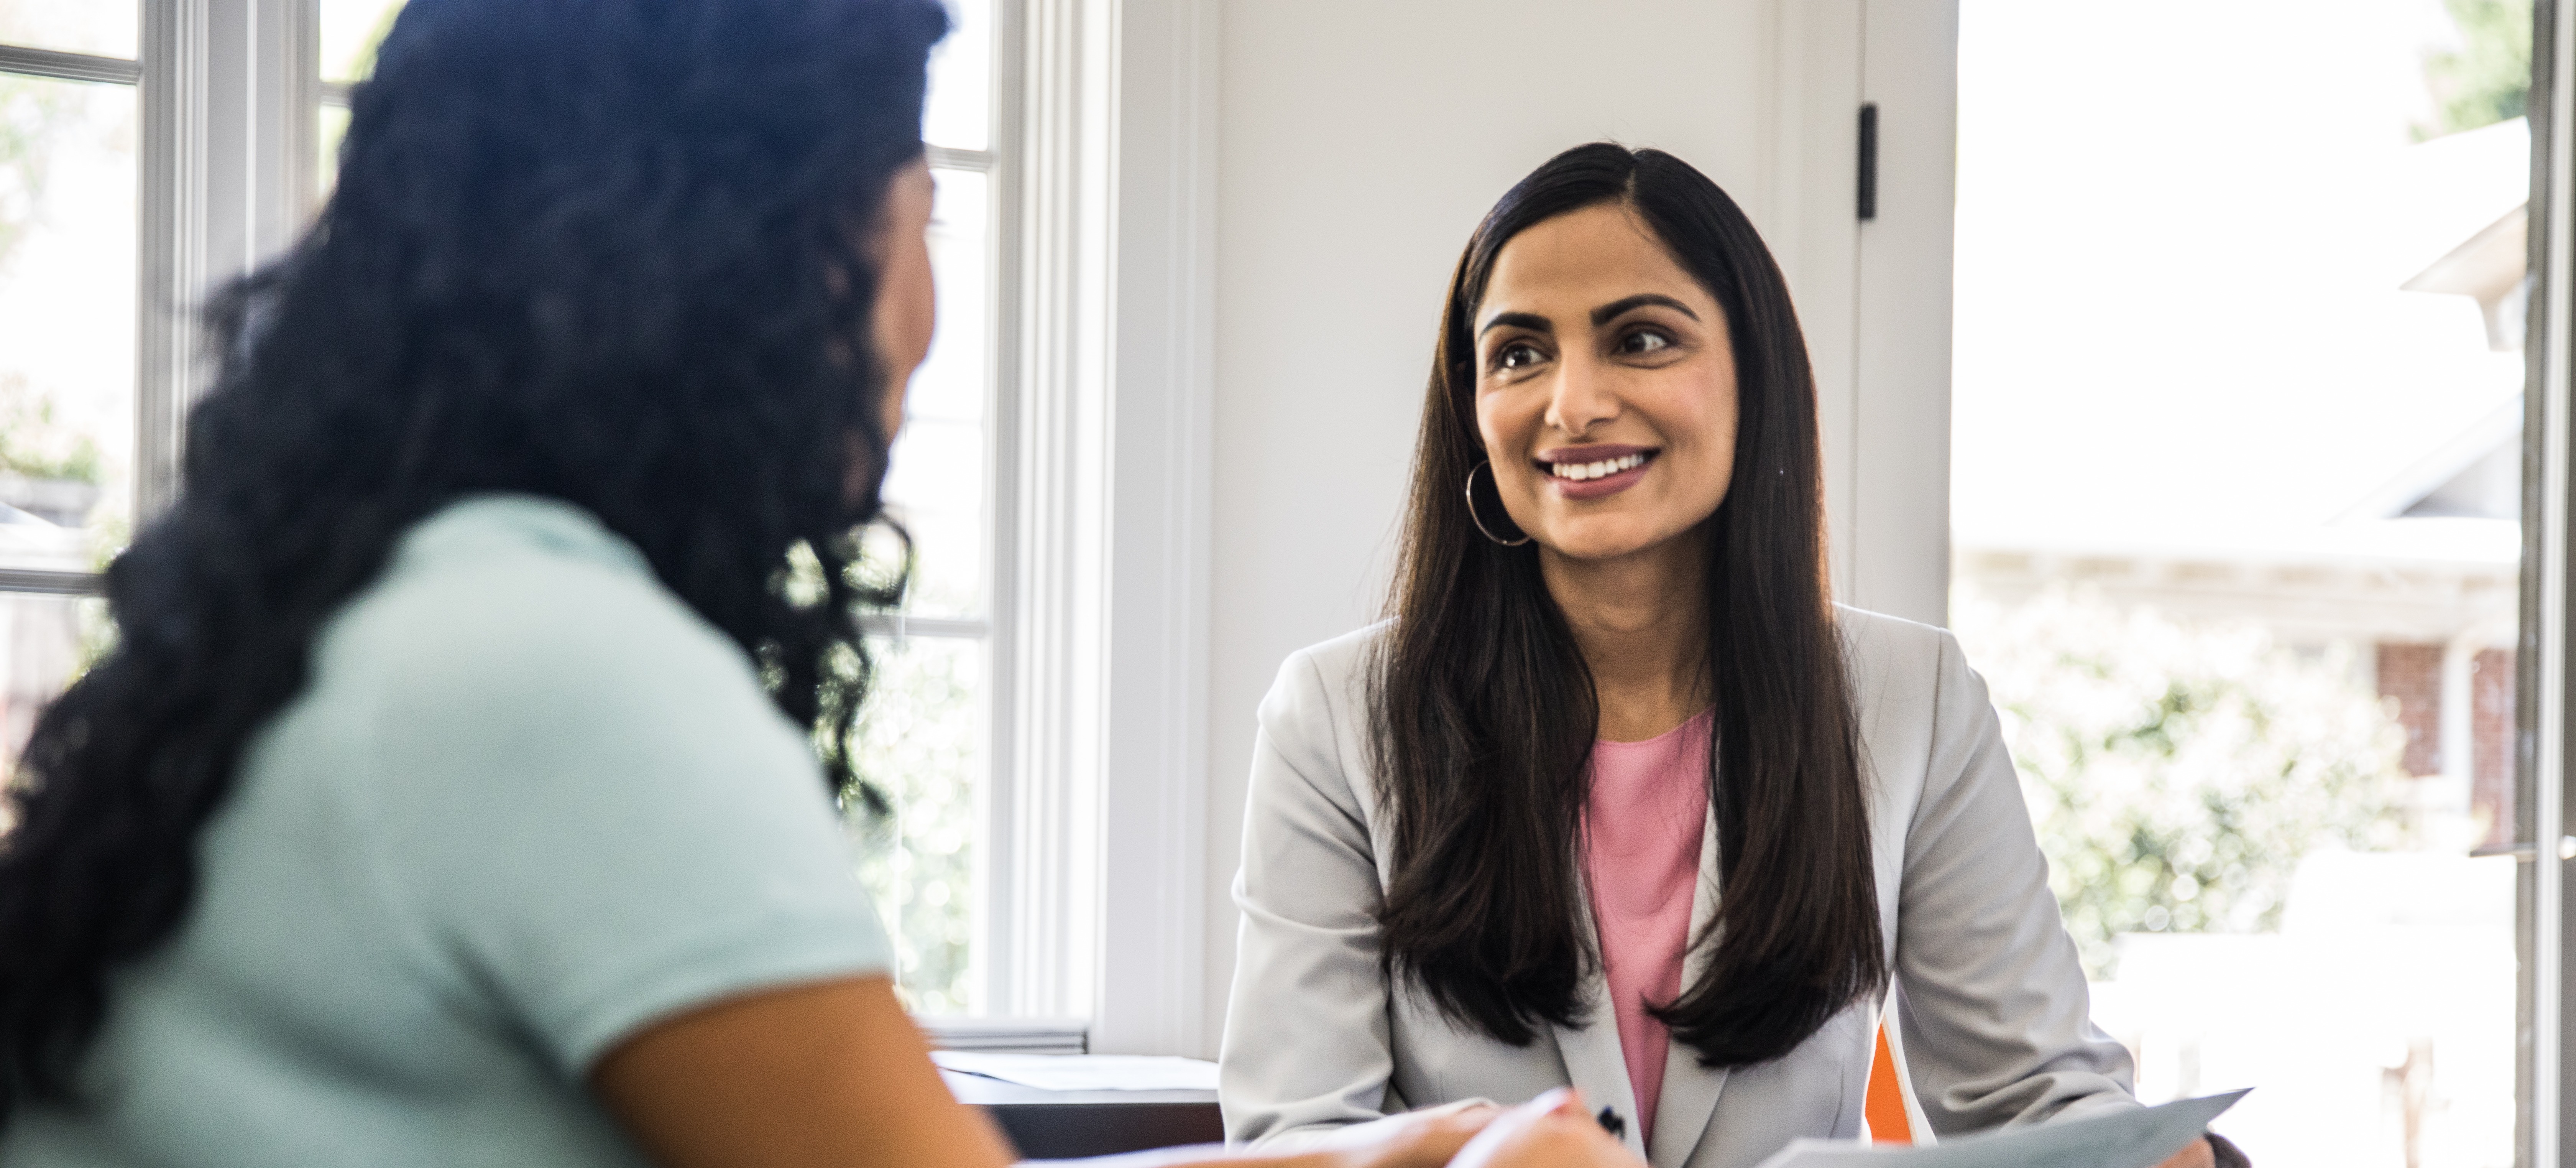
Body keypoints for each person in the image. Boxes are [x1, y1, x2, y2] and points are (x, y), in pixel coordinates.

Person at [0, 3, 1635, 1166]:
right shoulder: (561, 678)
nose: (930, 311)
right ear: (757, 256)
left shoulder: (396, 607)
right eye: (917, 214)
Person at [1217, 143, 2246, 1168]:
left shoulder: (1911, 701)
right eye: (1520, 354)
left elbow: (2033, 1095)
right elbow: (1297, 1141)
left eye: (1642, 339)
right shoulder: (1336, 717)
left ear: (1756, 379)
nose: (1572, 404)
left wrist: (2153, 1155)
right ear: (1472, 409)